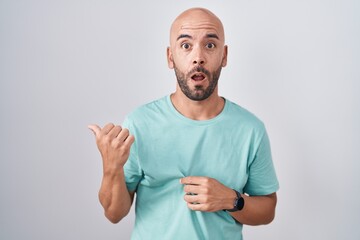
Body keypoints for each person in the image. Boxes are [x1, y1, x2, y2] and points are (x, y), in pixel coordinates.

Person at [88, 7, 279, 240]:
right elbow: (114, 213)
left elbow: (268, 210)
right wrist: (111, 167)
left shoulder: (251, 130)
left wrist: (232, 199)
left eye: (210, 45)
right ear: (171, 57)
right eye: (186, 45)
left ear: (224, 55)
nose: (198, 57)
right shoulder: (140, 123)